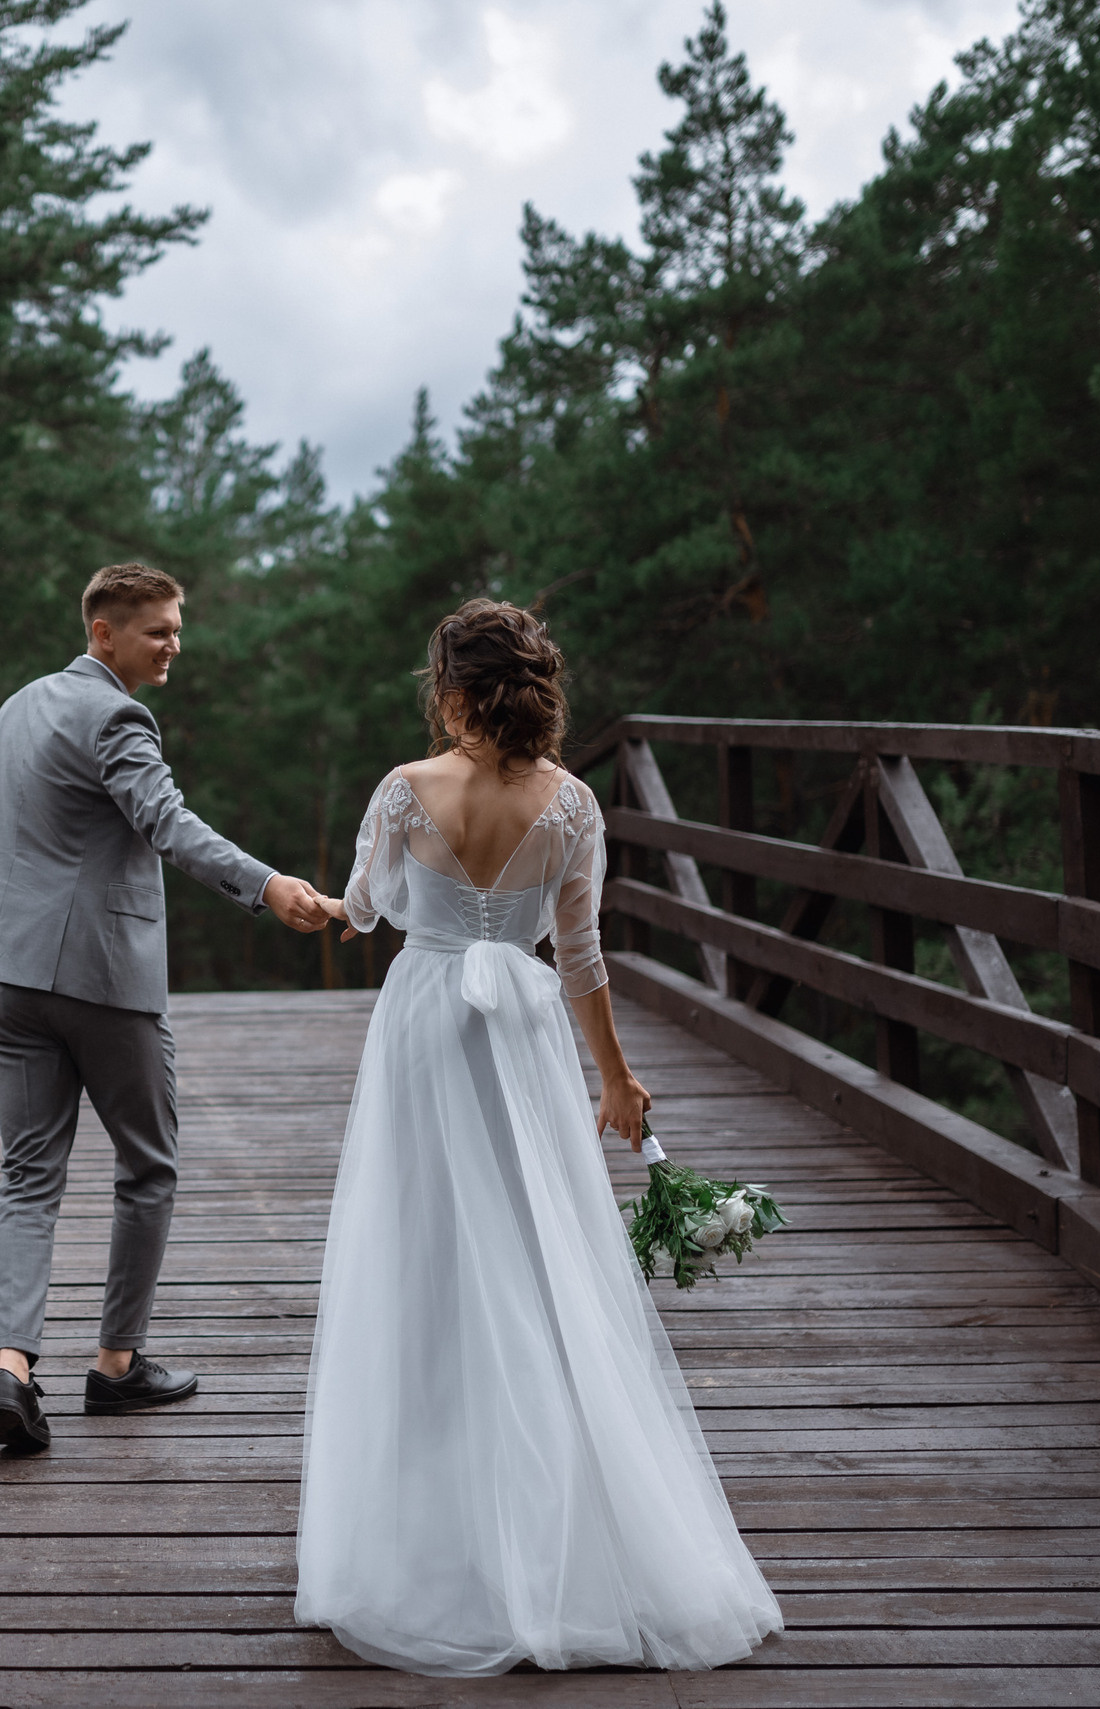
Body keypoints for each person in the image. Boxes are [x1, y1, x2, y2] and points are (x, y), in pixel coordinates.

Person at [294, 598, 783, 1674]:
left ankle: (430, 1533)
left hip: (423, 1026)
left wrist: (318, 901)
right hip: (520, 1032)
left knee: (422, 1256)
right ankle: (561, 1523)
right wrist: (614, 1075)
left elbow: (367, 909)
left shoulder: (404, 789)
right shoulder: (569, 804)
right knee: (538, 1254)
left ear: (450, 689)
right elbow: (582, 957)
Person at [0, 562, 333, 1453]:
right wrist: (267, 884)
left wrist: (0, 944)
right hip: (101, 981)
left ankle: (11, 1364)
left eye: (177, 626)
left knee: (27, 1171)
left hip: (6, 976)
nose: (175, 644)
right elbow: (167, 821)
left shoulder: (17, 707)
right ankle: (118, 1366)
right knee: (148, 1163)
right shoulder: (117, 714)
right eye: (158, 630)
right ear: (104, 635)